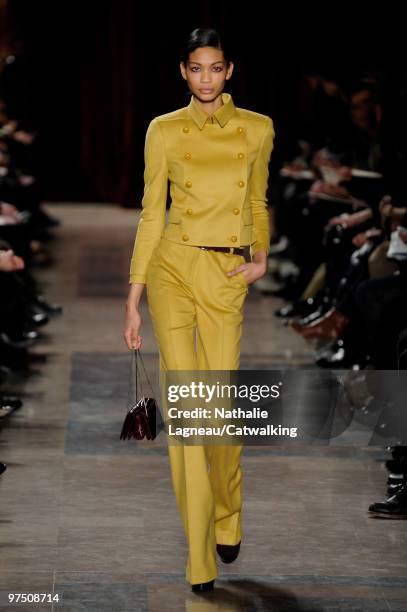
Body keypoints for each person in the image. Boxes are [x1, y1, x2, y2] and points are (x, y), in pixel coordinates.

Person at [123, 27, 275, 593]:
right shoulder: (163, 130)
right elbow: (150, 213)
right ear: (183, 72)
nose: (206, 77)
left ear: (229, 70)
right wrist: (134, 297)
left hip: (226, 274)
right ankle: (198, 559)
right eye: (197, 68)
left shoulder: (257, 129)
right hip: (172, 269)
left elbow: (257, 197)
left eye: (216, 68)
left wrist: (261, 256)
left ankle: (228, 513)